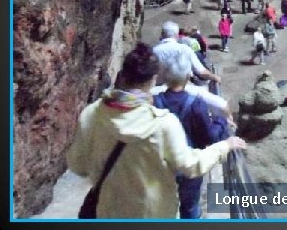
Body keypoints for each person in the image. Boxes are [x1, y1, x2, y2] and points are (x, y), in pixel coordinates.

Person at [67, 43, 246, 218]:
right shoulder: (163, 123)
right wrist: (225, 146)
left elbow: (78, 165)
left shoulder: (92, 113)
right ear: (153, 79)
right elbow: (191, 165)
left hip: (109, 211)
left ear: (123, 74)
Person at [152, 50, 231, 219]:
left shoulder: (154, 101)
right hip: (189, 164)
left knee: (163, 208)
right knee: (190, 207)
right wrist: (221, 121)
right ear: (188, 76)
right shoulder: (196, 104)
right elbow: (210, 137)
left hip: (162, 165)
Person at [152, 21, 227, 116]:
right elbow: (201, 71)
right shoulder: (185, 49)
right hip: (183, 88)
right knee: (218, 103)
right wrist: (214, 77)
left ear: (162, 34)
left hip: (159, 89)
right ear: (176, 35)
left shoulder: (154, 51)